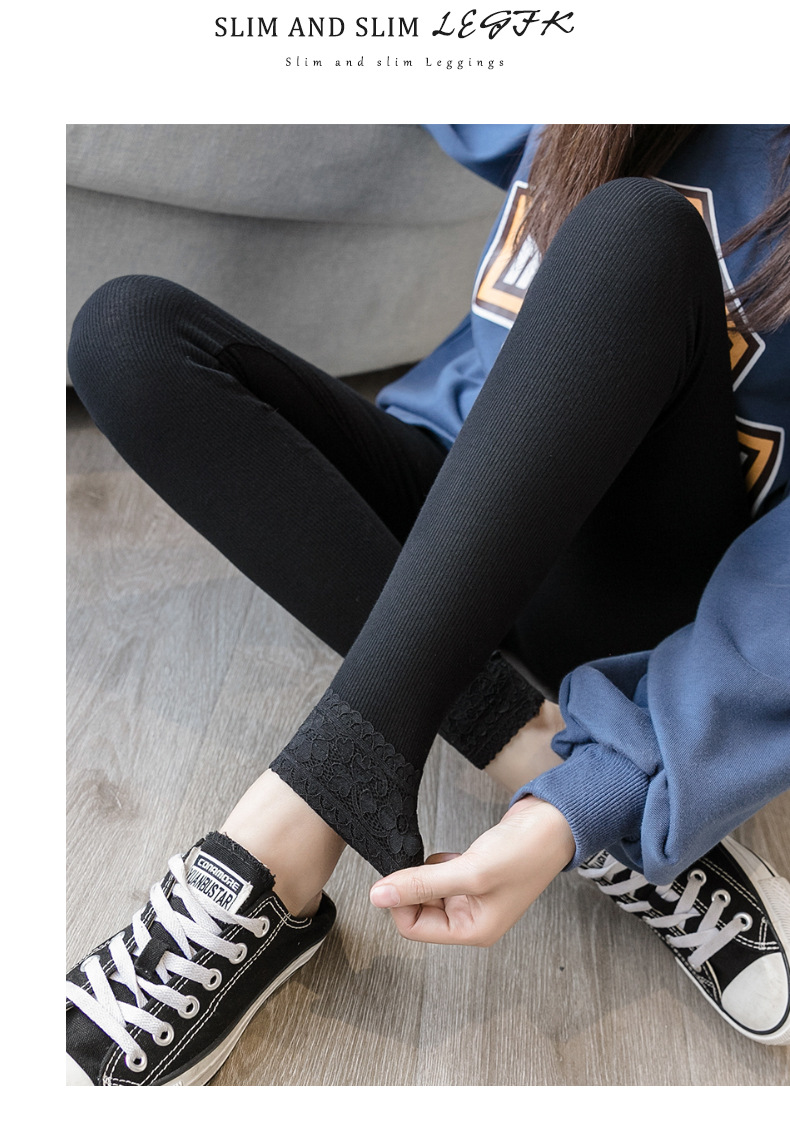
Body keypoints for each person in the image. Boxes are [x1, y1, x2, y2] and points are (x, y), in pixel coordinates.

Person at [66, 124, 790, 1086]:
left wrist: (624, 774)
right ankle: (530, 740)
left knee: (636, 232)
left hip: (626, 584)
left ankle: (279, 847)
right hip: (456, 489)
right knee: (127, 334)